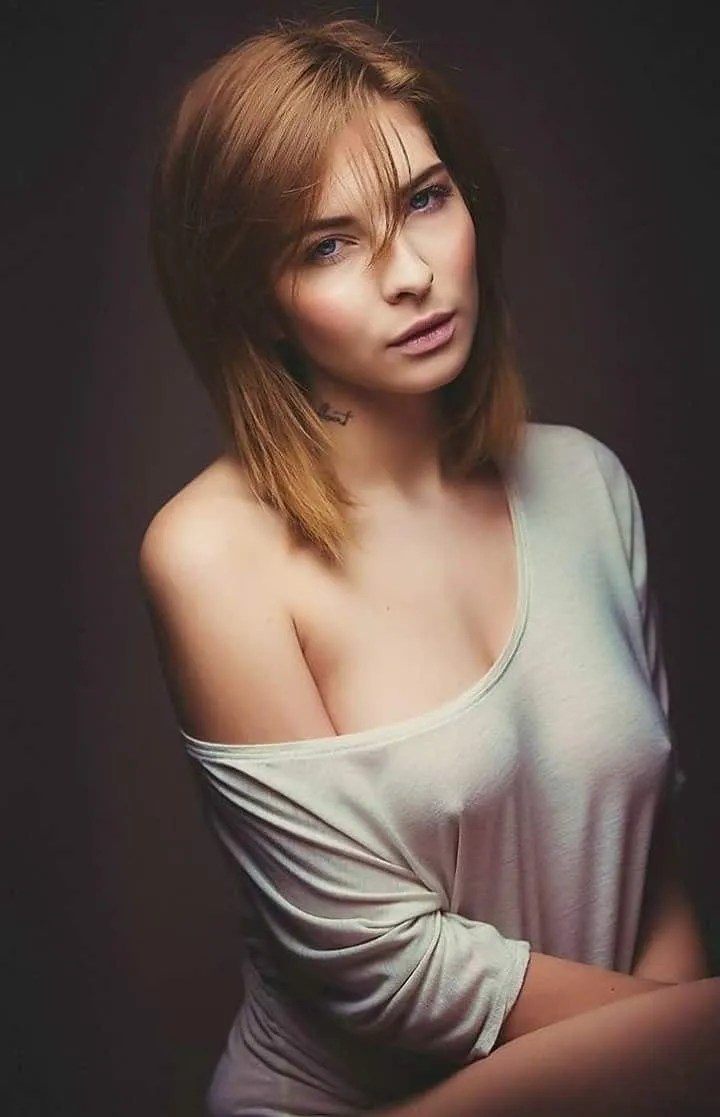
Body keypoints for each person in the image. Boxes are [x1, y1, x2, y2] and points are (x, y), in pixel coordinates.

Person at [139, 14, 720, 1117]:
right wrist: (688, 1044)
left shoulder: (587, 484)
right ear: (256, 294)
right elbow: (385, 975)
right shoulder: (212, 554)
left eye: (422, 199)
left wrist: (671, 1057)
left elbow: (655, 866)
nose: (408, 274)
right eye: (327, 243)